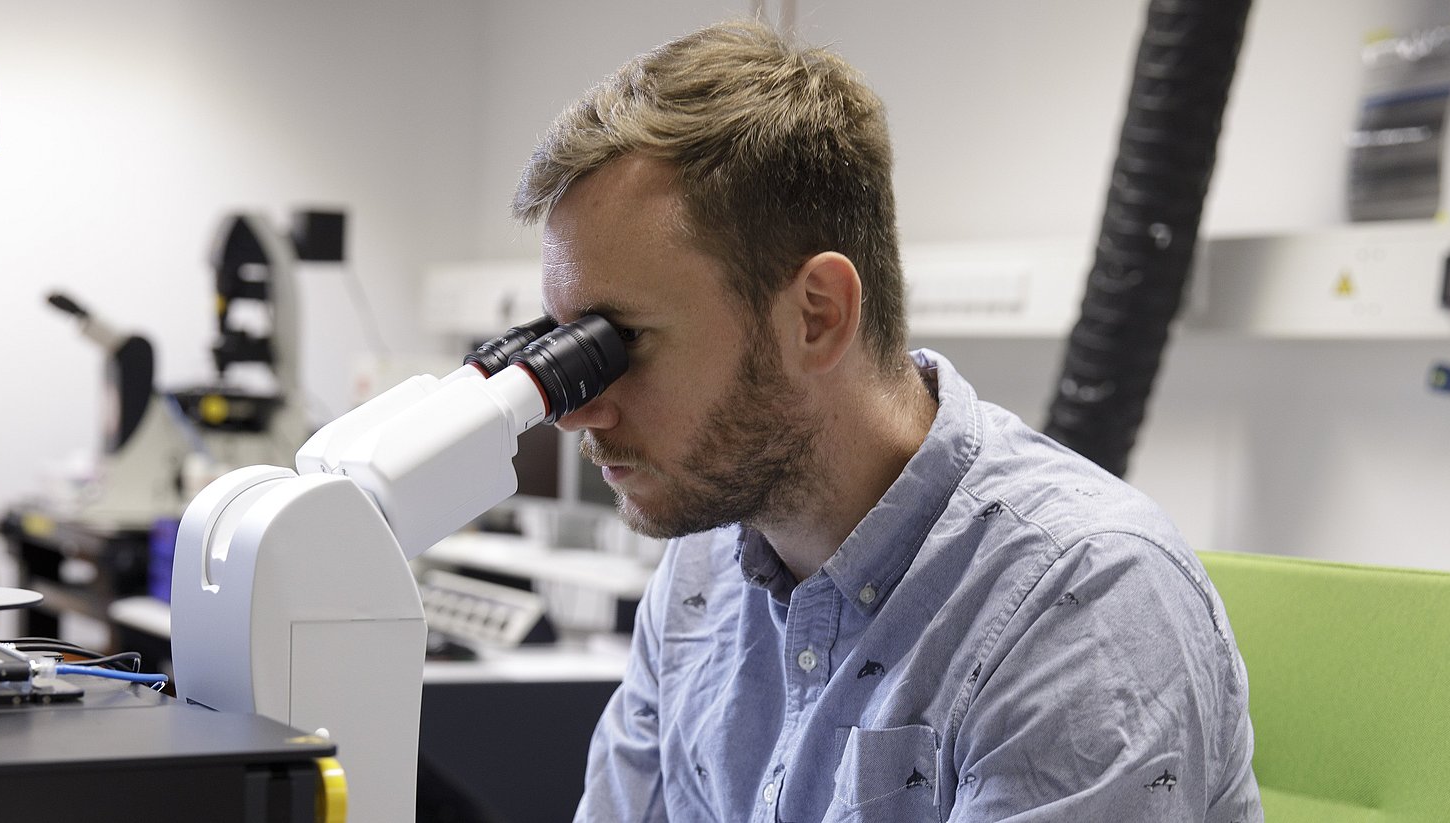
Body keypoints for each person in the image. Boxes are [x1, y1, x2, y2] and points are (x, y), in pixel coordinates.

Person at [511, 18, 1262, 822]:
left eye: (622, 341)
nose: (580, 408)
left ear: (818, 315)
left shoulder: (1082, 601)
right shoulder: (703, 572)